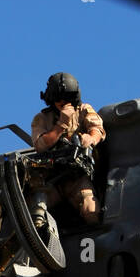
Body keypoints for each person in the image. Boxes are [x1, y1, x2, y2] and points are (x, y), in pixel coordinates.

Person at [30, 72, 105, 226]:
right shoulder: (42, 118)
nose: (62, 102)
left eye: (67, 98)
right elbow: (40, 145)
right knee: (34, 213)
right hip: (51, 180)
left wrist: (90, 139)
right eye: (58, 98)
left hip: (76, 178)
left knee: (91, 210)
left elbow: (97, 129)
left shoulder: (83, 110)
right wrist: (61, 125)